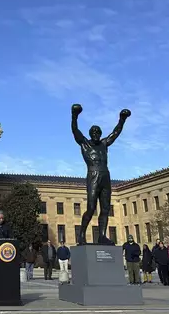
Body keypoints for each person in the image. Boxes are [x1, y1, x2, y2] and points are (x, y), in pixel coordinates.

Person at [71, 104, 130, 245]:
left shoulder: (104, 144)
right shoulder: (85, 143)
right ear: (90, 134)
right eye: (94, 132)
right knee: (91, 208)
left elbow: (115, 133)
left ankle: (102, 236)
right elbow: (75, 130)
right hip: (93, 175)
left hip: (105, 176)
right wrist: (74, 115)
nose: (96, 134)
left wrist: (122, 119)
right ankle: (82, 235)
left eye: (98, 132)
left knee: (105, 209)